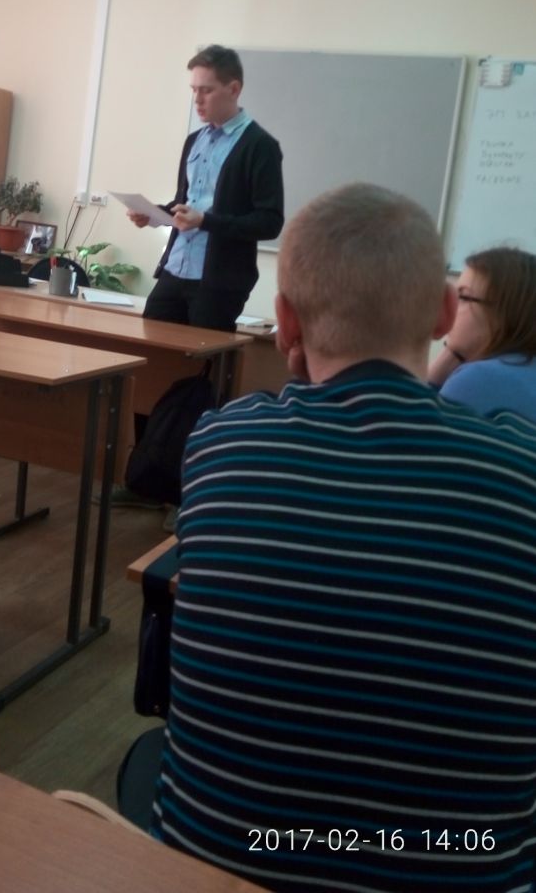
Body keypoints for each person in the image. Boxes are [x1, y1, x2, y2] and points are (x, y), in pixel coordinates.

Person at [149, 184, 536, 893]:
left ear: (284, 321)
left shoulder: (221, 443)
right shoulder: (520, 468)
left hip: (208, 860)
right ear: (443, 312)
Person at [128, 44, 284, 333]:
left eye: (206, 90)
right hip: (175, 268)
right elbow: (186, 203)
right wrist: (153, 214)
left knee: (201, 360)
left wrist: (205, 221)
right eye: (194, 90)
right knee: (151, 349)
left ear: (234, 89)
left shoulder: (260, 146)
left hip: (219, 282)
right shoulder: (195, 140)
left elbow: (270, 222)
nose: (197, 99)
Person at [429, 245, 536, 422]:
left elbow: (411, 430)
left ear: (503, 314)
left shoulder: (481, 378)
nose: (449, 305)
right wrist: (450, 356)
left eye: (463, 297)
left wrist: (431, 380)